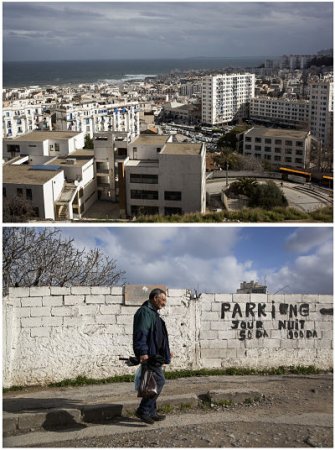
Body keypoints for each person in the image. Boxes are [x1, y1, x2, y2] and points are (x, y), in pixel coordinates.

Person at [133, 288, 171, 424]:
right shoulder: (145, 313)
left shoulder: (153, 314)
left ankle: (151, 411)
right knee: (159, 381)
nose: (164, 303)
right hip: (149, 355)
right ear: (155, 298)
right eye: (163, 299)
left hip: (155, 354)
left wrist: (166, 351)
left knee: (153, 383)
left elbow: (158, 336)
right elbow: (141, 333)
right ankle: (143, 409)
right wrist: (142, 352)